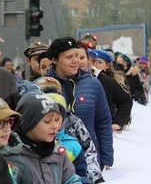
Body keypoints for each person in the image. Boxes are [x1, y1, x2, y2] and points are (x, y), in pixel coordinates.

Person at [14, 92, 91, 184]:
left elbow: (72, 180)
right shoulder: (14, 156)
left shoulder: (58, 152)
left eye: (57, 120)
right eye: (47, 121)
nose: (55, 126)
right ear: (28, 123)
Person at [44, 37, 113, 170]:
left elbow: (103, 121)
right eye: (69, 57)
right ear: (54, 60)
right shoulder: (43, 85)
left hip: (89, 160)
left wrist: (106, 157)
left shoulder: (93, 84)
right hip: (53, 160)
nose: (76, 61)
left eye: (77, 55)